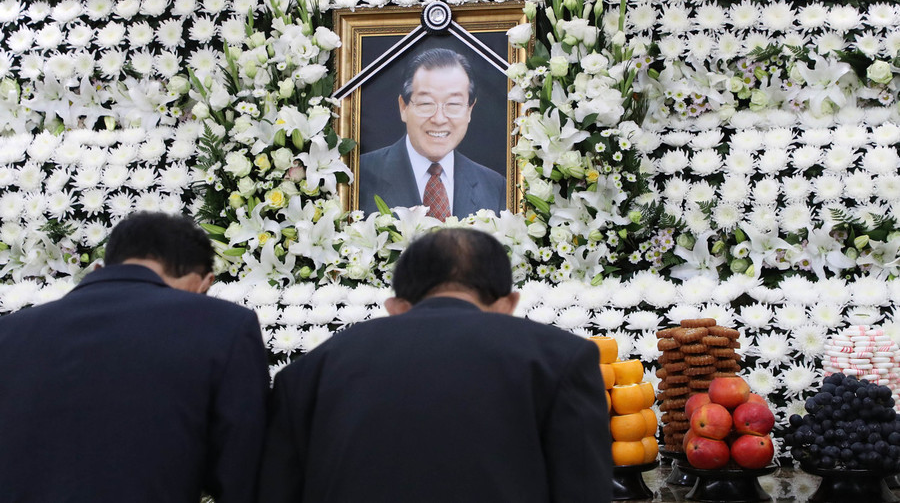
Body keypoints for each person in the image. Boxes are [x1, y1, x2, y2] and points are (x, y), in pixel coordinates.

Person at [257, 228, 612, 503]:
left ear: (396, 306)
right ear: (509, 303)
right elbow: (582, 491)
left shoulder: (308, 372)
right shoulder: (561, 359)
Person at [0, 212, 269, 503]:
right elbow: (243, 475)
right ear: (202, 281)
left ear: (102, 266)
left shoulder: (9, 334)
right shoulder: (224, 326)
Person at [358, 48, 507, 220]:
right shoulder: (360, 175)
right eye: (426, 103)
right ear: (403, 107)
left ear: (469, 110)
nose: (439, 118)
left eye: (453, 104)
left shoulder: (495, 187)